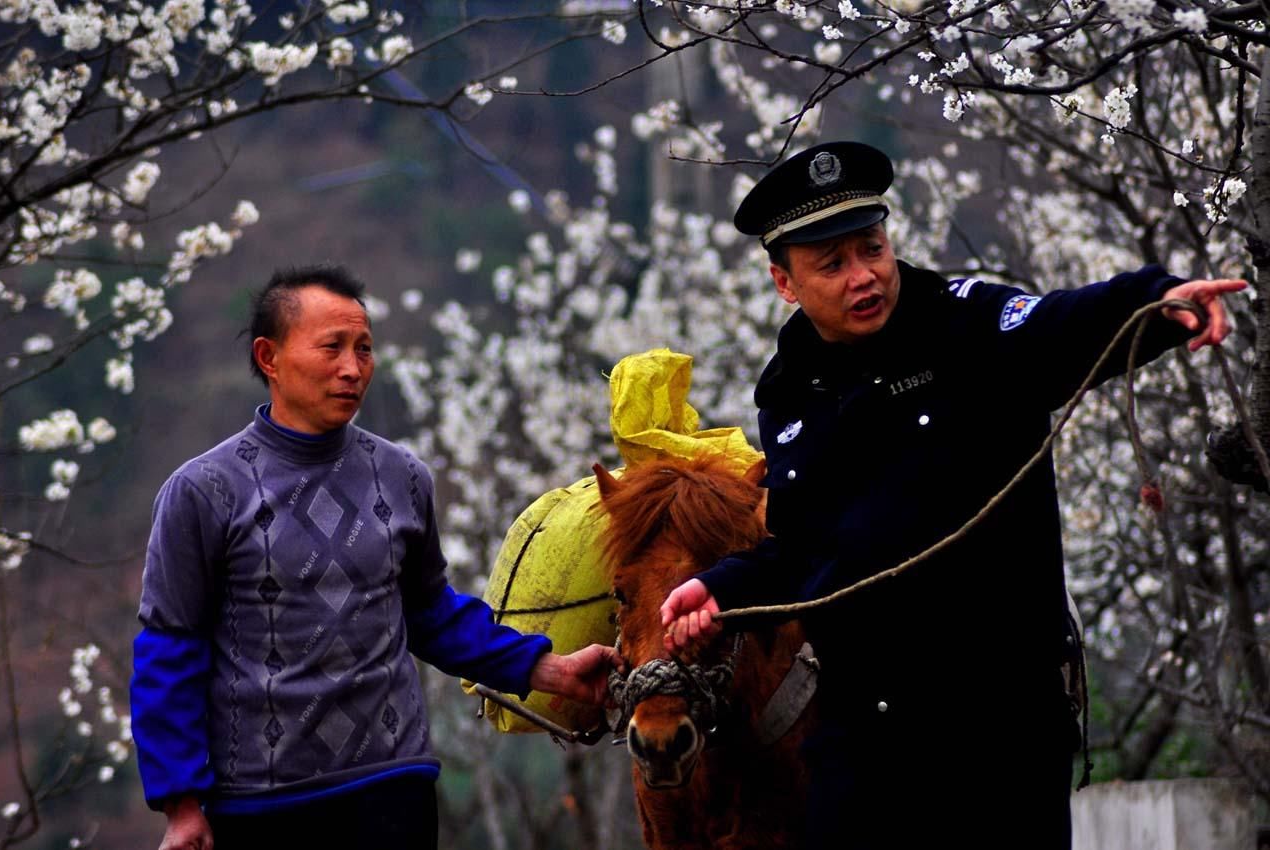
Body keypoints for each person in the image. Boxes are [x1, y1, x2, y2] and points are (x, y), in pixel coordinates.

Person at [658, 141, 1246, 848]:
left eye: (870, 248)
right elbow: (806, 547)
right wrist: (722, 592)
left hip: (996, 726)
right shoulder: (788, 389)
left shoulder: (968, 324)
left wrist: (1154, 302)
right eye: (833, 264)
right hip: (863, 735)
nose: (864, 276)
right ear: (787, 283)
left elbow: (1066, 323)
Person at [130, 265, 621, 850]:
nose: (352, 368)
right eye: (331, 347)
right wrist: (181, 804)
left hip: (393, 786)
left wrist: (551, 670)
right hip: (259, 803)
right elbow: (169, 646)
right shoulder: (204, 491)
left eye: (364, 348)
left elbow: (430, 614)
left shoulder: (403, 478)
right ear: (270, 357)